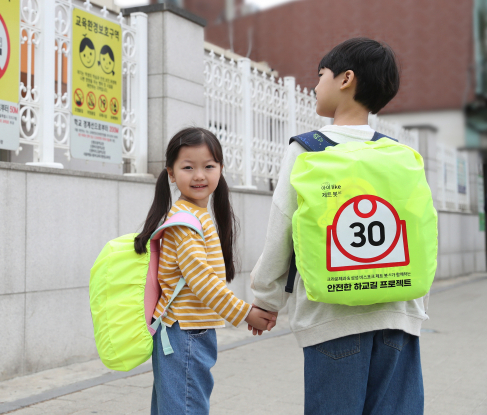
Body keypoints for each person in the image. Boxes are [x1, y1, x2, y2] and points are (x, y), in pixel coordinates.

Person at [250, 38, 428, 414]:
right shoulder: (397, 154)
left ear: (346, 79)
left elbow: (282, 227)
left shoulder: (307, 149)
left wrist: (267, 299)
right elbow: (418, 230)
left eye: (321, 75)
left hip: (331, 317)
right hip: (399, 313)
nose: (315, 85)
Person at [134, 127, 277, 415]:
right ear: (171, 174)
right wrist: (245, 312)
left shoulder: (195, 215)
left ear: (220, 169)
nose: (199, 175)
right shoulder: (185, 222)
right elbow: (203, 282)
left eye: (208, 166)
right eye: (188, 167)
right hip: (184, 334)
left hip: (186, 332)